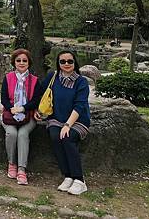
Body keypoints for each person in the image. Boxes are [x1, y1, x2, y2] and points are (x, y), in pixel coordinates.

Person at [36, 50, 91, 195]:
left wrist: (67, 125)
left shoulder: (81, 82)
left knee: (67, 137)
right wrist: (36, 111)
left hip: (78, 120)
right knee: (55, 136)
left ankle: (79, 179)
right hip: (56, 118)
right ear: (58, 63)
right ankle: (67, 176)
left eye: (70, 61)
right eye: (63, 61)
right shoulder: (53, 77)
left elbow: (79, 106)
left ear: (75, 63)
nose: (66, 64)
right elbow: (41, 93)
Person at [0, 48, 41, 185]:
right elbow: (4, 98)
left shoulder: (34, 80)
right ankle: (12, 163)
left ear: (29, 63)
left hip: (28, 114)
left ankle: (22, 169)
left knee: (23, 134)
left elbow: (36, 100)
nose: (21, 63)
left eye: (25, 60)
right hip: (10, 114)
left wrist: (23, 108)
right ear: (14, 62)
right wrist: (11, 108)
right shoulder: (8, 78)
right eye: (18, 60)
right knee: (11, 133)